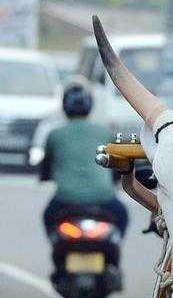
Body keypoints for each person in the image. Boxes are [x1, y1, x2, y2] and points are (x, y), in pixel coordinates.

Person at [40, 79, 128, 259]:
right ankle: (112, 251)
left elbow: (46, 166)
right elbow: (117, 166)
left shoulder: (54, 134)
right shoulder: (105, 132)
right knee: (123, 215)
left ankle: (59, 251)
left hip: (65, 199)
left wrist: (44, 176)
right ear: (90, 106)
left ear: (64, 106)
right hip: (104, 198)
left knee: (48, 216)